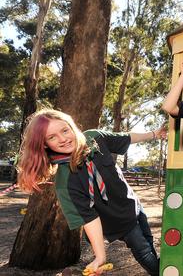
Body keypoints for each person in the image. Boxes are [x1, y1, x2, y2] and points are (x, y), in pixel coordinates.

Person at [16, 110, 163, 275]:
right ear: (44, 144)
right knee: (143, 250)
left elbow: (126, 137)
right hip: (118, 221)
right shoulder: (65, 183)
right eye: (52, 137)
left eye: (65, 130)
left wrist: (154, 134)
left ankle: (165, 267)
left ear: (72, 127)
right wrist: (100, 256)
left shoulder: (94, 138)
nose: (63, 139)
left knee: (149, 241)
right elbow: (89, 219)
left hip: (132, 203)